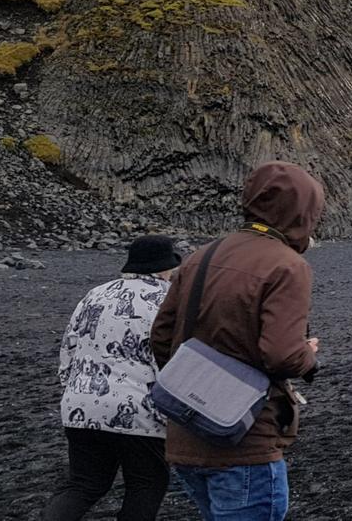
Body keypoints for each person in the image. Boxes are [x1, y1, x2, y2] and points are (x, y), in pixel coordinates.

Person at [151, 162, 323, 521]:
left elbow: (161, 337)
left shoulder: (203, 254)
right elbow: (281, 354)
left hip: (186, 436)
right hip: (244, 440)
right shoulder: (287, 266)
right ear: (304, 211)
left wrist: (199, 389)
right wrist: (307, 356)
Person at [43, 235, 180, 521]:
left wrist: (73, 389)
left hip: (81, 405)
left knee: (84, 484)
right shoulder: (169, 299)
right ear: (166, 267)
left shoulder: (95, 294)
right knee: (147, 483)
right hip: (140, 412)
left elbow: (68, 349)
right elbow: (171, 357)